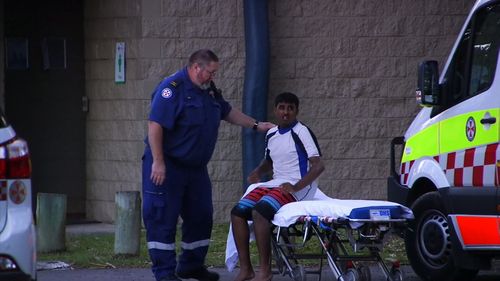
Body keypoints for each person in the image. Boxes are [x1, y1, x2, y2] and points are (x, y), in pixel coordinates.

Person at [142, 49, 275, 281]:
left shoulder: (208, 91)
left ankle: (191, 266)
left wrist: (256, 124)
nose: (213, 76)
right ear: (196, 68)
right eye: (210, 72)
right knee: (162, 218)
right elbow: (155, 125)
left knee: (201, 216)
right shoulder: (172, 89)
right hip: (168, 166)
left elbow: (227, 111)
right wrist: (158, 162)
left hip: (195, 169)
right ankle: (164, 274)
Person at [230, 92, 325, 281]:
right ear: (275, 110)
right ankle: (246, 269)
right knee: (238, 212)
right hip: (276, 183)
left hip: (300, 186)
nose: (285, 112)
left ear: (296, 111)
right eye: (282, 107)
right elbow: (269, 161)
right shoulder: (271, 133)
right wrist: (258, 171)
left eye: (290, 108)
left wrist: (296, 187)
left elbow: (319, 165)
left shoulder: (301, 131)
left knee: (260, 211)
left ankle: (265, 271)